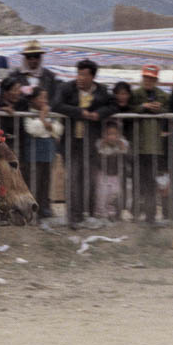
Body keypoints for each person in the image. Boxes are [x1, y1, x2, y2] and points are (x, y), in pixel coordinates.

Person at [52, 58, 116, 227]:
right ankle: (73, 217)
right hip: (71, 142)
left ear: (92, 77)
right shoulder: (67, 88)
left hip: (91, 143)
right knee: (72, 179)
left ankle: (86, 214)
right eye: (78, 74)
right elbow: (56, 105)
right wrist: (81, 113)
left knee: (89, 179)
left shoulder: (101, 90)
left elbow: (113, 106)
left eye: (84, 75)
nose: (80, 77)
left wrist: (98, 114)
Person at [131, 64, 170, 223]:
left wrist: (160, 110)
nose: (148, 81)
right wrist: (143, 107)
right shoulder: (135, 94)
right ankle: (135, 214)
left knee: (151, 182)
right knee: (136, 181)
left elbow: (169, 110)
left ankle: (150, 216)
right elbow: (128, 107)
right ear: (142, 78)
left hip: (155, 146)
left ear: (156, 80)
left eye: (151, 78)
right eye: (146, 77)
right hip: (138, 145)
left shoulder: (163, 96)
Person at [20, 86, 62, 219]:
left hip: (47, 154)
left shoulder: (50, 113)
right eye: (41, 97)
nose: (44, 100)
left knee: (45, 182)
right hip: (33, 154)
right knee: (33, 182)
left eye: (46, 98)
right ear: (32, 100)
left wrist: (46, 125)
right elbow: (33, 129)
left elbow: (58, 130)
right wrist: (44, 121)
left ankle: (44, 209)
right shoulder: (28, 113)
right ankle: (30, 211)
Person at [94, 120, 129, 221]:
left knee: (114, 193)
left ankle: (111, 213)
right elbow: (97, 156)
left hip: (115, 175)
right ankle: (101, 214)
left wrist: (122, 148)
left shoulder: (122, 143)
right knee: (102, 194)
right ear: (104, 135)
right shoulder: (100, 144)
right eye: (109, 134)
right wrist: (103, 144)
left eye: (114, 134)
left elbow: (126, 155)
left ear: (119, 135)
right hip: (103, 174)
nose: (112, 137)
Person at [0, 76, 28, 153]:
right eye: (14, 90)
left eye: (19, 89)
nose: (18, 92)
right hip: (0, 142)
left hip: (19, 142)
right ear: (5, 92)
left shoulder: (23, 103)